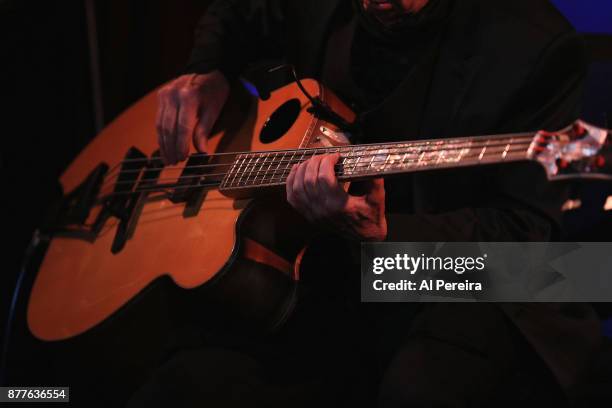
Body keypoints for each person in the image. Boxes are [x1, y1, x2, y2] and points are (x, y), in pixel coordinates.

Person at [143, 0, 603, 406]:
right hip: (317, 274)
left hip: (456, 286)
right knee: (179, 382)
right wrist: (208, 68)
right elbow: (240, 11)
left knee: (419, 389)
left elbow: (532, 252)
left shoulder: (535, 44)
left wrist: (385, 240)